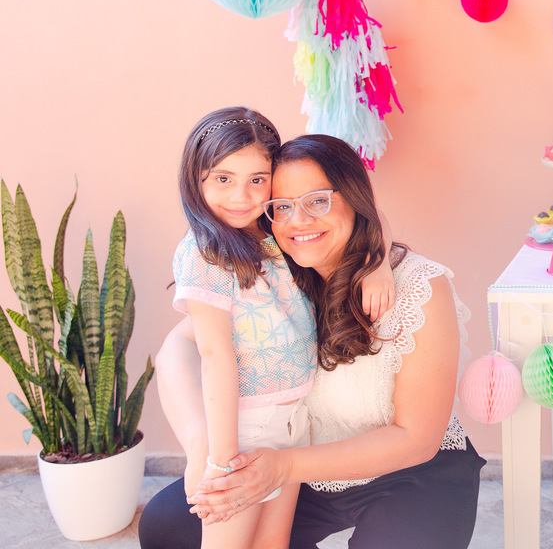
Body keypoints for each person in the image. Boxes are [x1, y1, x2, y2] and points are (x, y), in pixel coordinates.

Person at [140, 132, 483, 548]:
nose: (299, 221)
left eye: (318, 201)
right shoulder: (276, 273)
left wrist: (377, 258)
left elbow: (417, 439)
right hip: (304, 466)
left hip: (411, 474)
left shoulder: (417, 287)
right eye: (282, 206)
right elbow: (177, 348)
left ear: (354, 199)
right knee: (171, 524)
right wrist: (202, 444)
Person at [167, 109, 396, 548]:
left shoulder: (273, 232)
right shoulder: (204, 252)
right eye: (223, 179)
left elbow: (368, 216)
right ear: (195, 179)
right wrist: (220, 458)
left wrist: (378, 262)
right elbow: (214, 355)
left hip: (293, 424)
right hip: (244, 429)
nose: (241, 196)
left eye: (257, 180)